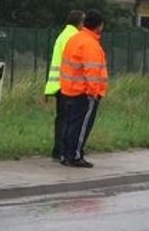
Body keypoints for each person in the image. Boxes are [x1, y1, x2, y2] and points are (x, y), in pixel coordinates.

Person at [59, 9, 108, 168]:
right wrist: (93, 93)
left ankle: (65, 154)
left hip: (69, 89)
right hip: (85, 92)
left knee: (70, 124)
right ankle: (75, 155)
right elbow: (92, 71)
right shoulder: (91, 44)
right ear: (99, 26)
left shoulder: (74, 39)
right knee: (81, 126)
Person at [44, 10, 84, 162]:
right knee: (67, 120)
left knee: (62, 118)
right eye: (83, 22)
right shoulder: (73, 36)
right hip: (67, 83)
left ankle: (58, 150)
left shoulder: (63, 34)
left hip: (58, 83)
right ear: (79, 23)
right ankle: (62, 151)